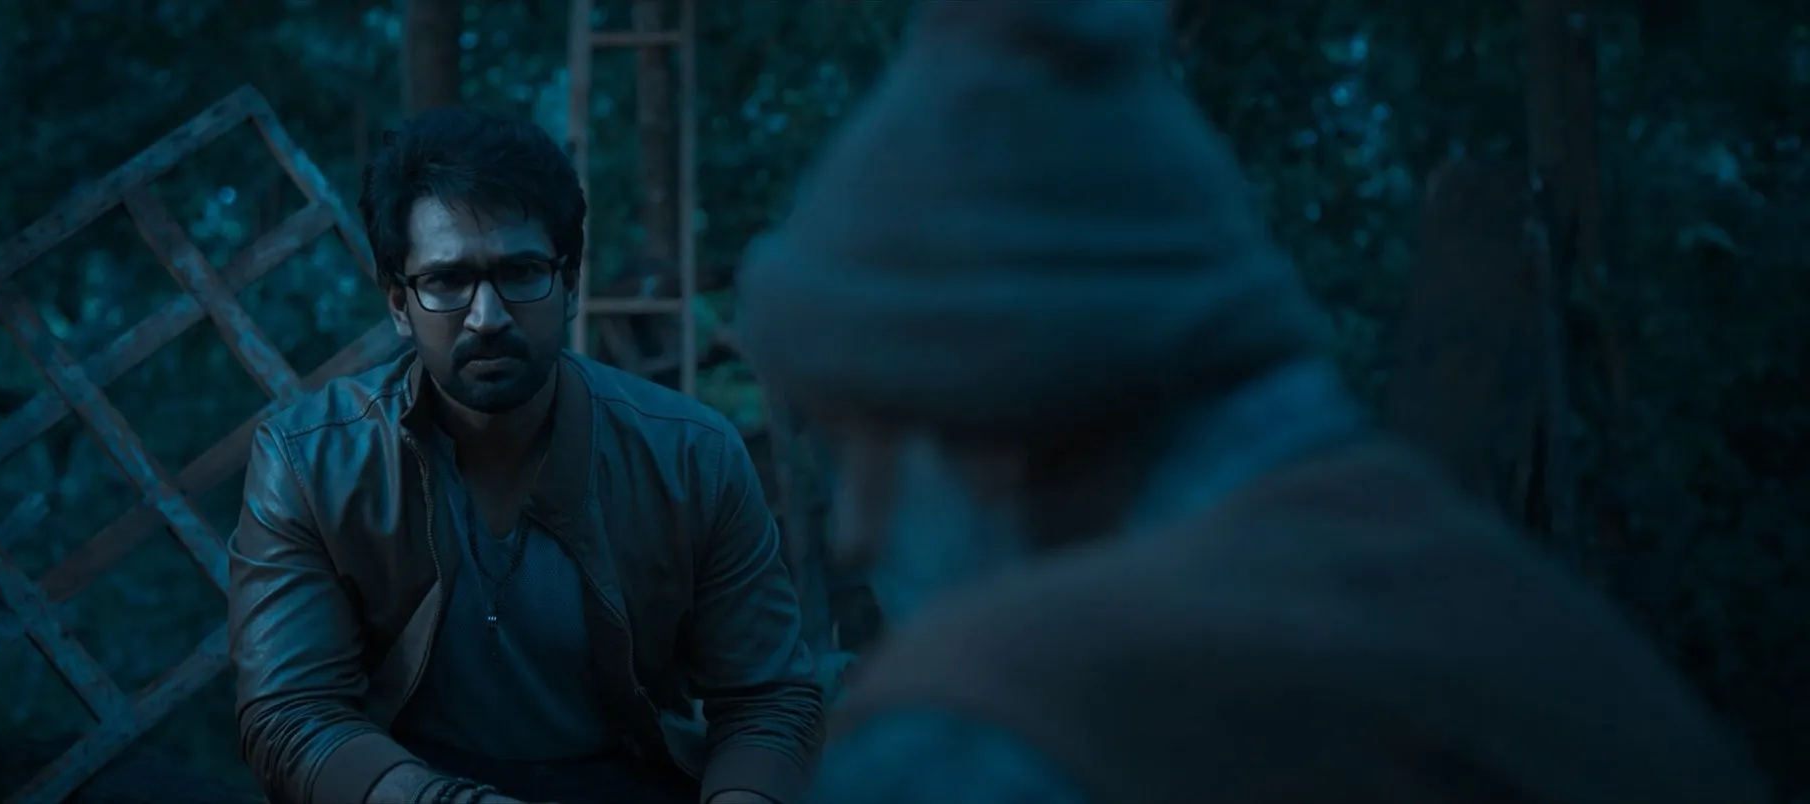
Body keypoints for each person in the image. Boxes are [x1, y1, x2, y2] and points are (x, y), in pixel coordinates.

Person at [735, 2, 1773, 803]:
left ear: (993, 414)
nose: (856, 527)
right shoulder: (1547, 635)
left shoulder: (987, 722)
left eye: (859, 445)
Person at [228, 108, 821, 804]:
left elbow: (768, 701)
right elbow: (291, 713)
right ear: (398, 304)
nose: (488, 317)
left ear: (569, 285)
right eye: (446, 281)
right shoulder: (308, 462)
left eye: (522, 271)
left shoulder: (694, 457)